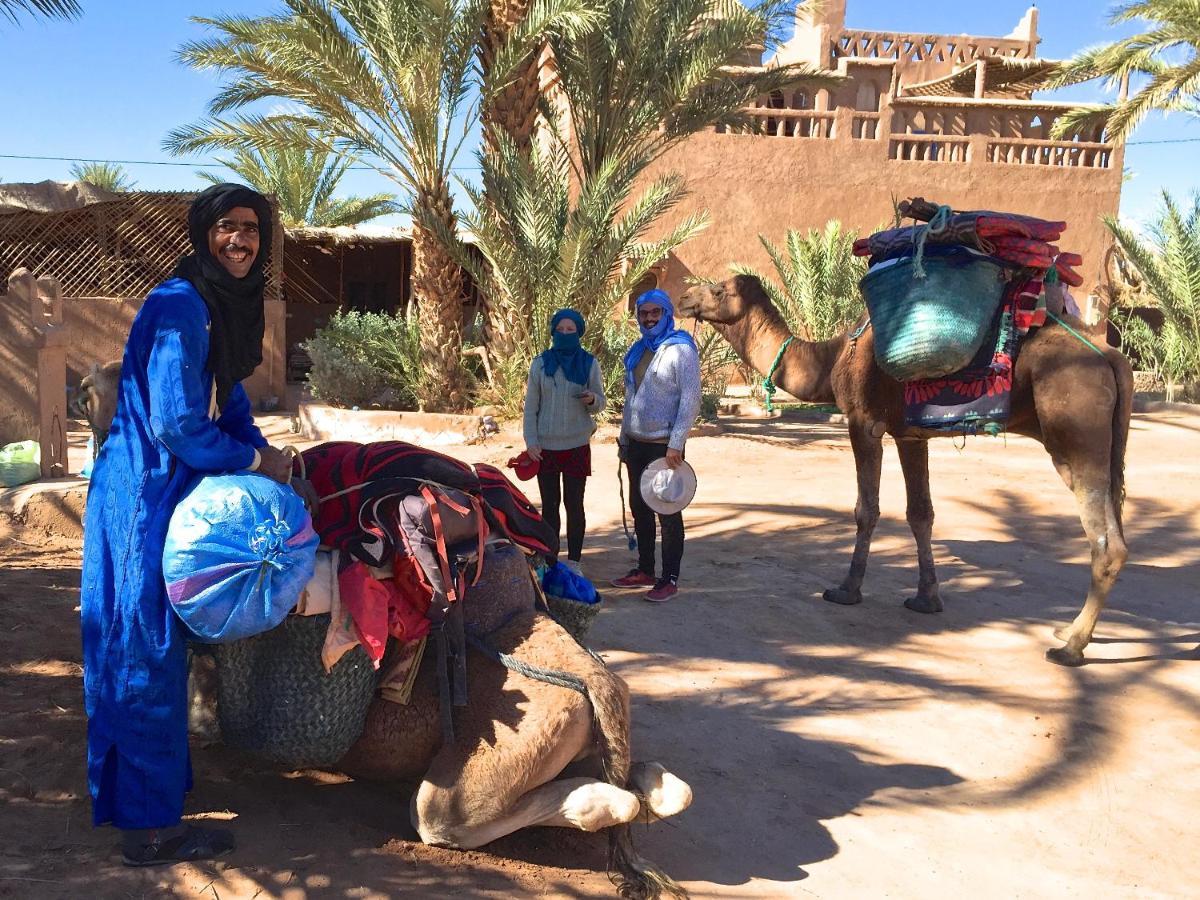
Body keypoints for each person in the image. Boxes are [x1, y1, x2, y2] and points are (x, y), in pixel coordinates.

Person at [79, 184, 298, 866]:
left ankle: (145, 799)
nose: (241, 239)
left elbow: (225, 398)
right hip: (143, 493)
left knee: (154, 649)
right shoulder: (179, 305)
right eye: (227, 227)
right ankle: (149, 831)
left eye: (252, 229)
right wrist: (254, 459)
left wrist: (266, 453)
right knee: (141, 650)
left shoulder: (218, 309)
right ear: (203, 233)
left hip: (167, 489)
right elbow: (177, 423)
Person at [612, 289, 701, 602]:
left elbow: (690, 399)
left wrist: (676, 443)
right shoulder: (638, 350)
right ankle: (646, 569)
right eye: (643, 313)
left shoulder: (681, 350)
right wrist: (625, 436)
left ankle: (669, 579)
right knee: (640, 507)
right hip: (636, 443)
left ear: (666, 314)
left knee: (667, 510)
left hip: (665, 448)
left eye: (655, 313)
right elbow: (630, 399)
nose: (649, 318)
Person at [522, 308, 606, 574]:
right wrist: (531, 441)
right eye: (561, 329)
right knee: (549, 506)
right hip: (545, 448)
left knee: (574, 504)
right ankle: (550, 560)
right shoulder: (540, 364)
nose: (566, 334)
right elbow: (530, 407)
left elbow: (601, 403)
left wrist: (592, 399)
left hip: (577, 446)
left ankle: (575, 561)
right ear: (554, 331)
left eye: (571, 330)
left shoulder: (589, 363)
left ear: (579, 332)